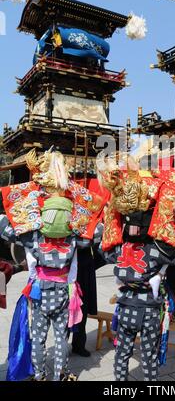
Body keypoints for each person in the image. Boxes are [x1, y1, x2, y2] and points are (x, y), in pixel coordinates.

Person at [0, 148, 104, 381]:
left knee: (38, 337)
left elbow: (5, 227)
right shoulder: (73, 233)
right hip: (63, 290)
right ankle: (61, 374)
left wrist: (30, 206)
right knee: (60, 337)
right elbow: (97, 232)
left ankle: (39, 375)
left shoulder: (32, 233)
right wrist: (79, 213)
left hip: (39, 290)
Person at [97, 160, 175, 381]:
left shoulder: (119, 249)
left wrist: (111, 220)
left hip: (126, 305)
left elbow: (103, 248)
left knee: (122, 352)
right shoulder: (156, 250)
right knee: (148, 354)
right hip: (149, 308)